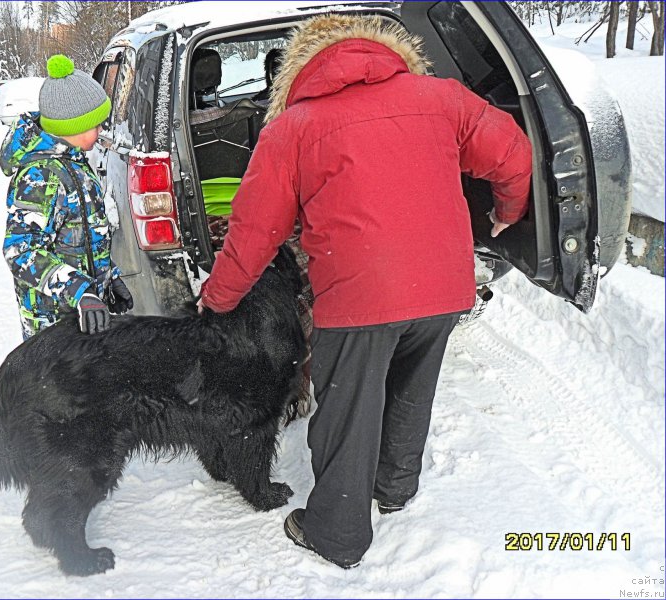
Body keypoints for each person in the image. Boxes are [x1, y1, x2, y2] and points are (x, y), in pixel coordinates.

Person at [198, 14, 532, 568]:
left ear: (301, 69)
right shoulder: (443, 98)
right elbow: (513, 154)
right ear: (390, 51)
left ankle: (337, 535)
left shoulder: (293, 128)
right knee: (410, 388)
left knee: (347, 412)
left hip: (358, 297)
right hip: (445, 287)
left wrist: (219, 300)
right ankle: (395, 490)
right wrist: (506, 213)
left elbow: (255, 232)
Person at [0, 54, 134, 340]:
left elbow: (85, 236)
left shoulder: (74, 164)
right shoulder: (41, 177)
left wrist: (110, 279)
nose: (100, 131)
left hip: (83, 317)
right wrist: (80, 291)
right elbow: (21, 252)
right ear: (70, 127)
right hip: (54, 328)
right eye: (95, 125)